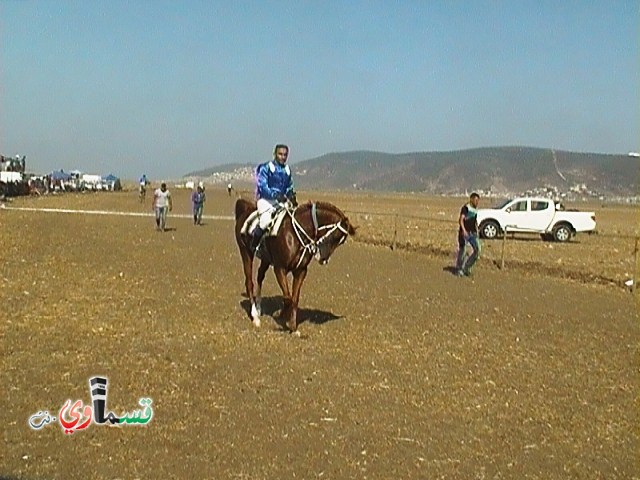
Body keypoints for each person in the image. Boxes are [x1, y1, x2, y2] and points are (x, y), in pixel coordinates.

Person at [250, 144, 297, 253]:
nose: (283, 157)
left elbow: (289, 185)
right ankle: (255, 246)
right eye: (280, 154)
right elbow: (262, 185)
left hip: (281, 201)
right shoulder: (266, 167)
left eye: (285, 155)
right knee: (265, 221)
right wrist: (274, 195)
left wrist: (291, 194)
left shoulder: (287, 170)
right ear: (275, 154)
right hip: (266, 200)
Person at [455, 192, 481, 277]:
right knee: (463, 251)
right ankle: (459, 269)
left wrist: (477, 231)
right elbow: (461, 220)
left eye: (478, 200)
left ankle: (467, 268)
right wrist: (464, 230)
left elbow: (474, 221)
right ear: (471, 199)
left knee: (477, 250)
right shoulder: (466, 208)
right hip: (464, 233)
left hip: (472, 233)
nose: (477, 202)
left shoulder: (476, 210)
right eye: (476, 200)